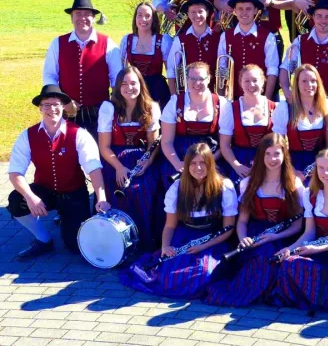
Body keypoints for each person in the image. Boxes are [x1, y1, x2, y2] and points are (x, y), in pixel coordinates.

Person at [121, 143, 237, 298]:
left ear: (210, 164)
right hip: (184, 236)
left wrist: (203, 245)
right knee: (168, 276)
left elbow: (229, 228)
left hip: (213, 238)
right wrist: (165, 247)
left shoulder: (224, 187)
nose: (198, 168)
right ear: (187, 166)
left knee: (204, 273)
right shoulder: (177, 188)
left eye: (203, 163)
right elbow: (170, 226)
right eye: (193, 163)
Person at [7, 85, 110, 259]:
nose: (52, 109)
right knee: (17, 200)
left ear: (63, 107)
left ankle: (67, 220)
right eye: (46, 105)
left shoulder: (79, 134)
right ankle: (43, 239)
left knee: (75, 247)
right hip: (44, 190)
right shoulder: (27, 135)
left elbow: (93, 168)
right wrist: (31, 197)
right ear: (40, 108)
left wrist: (101, 198)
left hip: (74, 193)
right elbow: (15, 172)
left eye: (56, 104)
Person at [204, 134, 305, 306]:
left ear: (284, 155)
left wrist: (275, 237)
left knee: (269, 257)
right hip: (255, 236)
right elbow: (242, 222)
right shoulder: (249, 183)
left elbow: (297, 226)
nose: (272, 159)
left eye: (277, 154)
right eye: (267, 154)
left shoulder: (294, 184)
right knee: (257, 258)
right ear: (261, 156)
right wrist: (244, 238)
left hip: (282, 237)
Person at [271, 148, 328, 313]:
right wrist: (290, 249)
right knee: (289, 264)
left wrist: (317, 248)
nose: (325, 172)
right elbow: (309, 233)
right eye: (320, 168)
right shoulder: (309, 194)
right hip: (317, 249)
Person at [97, 67, 162, 250]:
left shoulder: (150, 107)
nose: (129, 87)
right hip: (114, 158)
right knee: (116, 186)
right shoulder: (108, 108)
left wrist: (147, 162)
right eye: (124, 83)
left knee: (143, 188)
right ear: (117, 87)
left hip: (142, 158)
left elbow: (153, 144)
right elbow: (104, 147)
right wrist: (118, 167)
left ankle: (144, 239)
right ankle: (115, 239)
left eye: (133, 83)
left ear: (140, 85)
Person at [43, 0, 121, 138]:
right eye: (78, 14)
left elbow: (118, 79)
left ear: (93, 18)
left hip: (99, 114)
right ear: (71, 18)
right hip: (67, 113)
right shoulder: (57, 43)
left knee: (98, 155)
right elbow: (49, 76)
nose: (82, 18)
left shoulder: (108, 44)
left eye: (87, 14)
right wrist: (63, 102)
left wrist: (112, 108)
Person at [160, 61, 230, 191]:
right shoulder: (175, 102)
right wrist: (178, 164)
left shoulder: (222, 103)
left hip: (212, 156)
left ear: (209, 79)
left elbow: (225, 144)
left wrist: (207, 162)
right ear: (186, 79)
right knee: (173, 186)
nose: (197, 83)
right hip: (180, 156)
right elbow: (166, 141)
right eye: (192, 78)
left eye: (201, 79)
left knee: (217, 187)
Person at [272, 64, 328, 179]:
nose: (310, 85)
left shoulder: (325, 105)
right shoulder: (285, 108)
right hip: (293, 164)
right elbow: (278, 146)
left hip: (321, 165)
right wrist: (292, 170)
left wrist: (322, 166)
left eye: (313, 81)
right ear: (296, 84)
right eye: (304, 81)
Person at [218, 65, 277, 189]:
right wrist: (237, 166)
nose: (251, 84)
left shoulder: (275, 108)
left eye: (255, 80)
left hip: (268, 160)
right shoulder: (230, 108)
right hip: (239, 160)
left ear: (263, 81)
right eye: (246, 81)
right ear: (240, 83)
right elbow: (224, 145)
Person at [216, 0, 280, 99]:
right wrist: (222, 99)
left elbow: (272, 70)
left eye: (248, 9)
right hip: (233, 96)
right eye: (240, 9)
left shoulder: (268, 36)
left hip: (259, 96)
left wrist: (266, 100)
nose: (244, 12)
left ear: (255, 11)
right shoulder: (225, 36)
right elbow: (222, 68)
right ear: (234, 11)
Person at [120, 1, 172, 108]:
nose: (143, 19)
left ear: (153, 19)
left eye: (148, 16)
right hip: (134, 90)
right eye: (140, 15)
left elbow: (170, 72)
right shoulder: (127, 40)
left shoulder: (163, 41)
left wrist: (174, 97)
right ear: (135, 18)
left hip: (157, 91)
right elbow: (121, 71)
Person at [166, 0, 222, 93]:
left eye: (200, 11)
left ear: (207, 13)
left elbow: (222, 69)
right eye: (193, 12)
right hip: (188, 94)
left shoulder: (218, 38)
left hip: (212, 93)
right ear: (188, 14)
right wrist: (174, 97)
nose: (197, 15)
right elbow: (171, 69)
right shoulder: (180, 39)